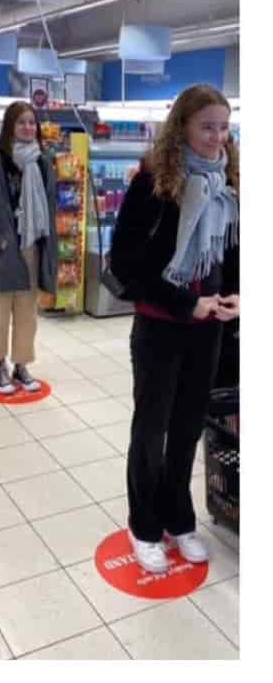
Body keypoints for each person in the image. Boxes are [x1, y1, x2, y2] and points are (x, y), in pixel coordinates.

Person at [109, 83, 240, 574]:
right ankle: (143, 524)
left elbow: (232, 252)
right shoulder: (153, 182)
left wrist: (235, 297)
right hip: (161, 327)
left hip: (209, 332)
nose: (217, 137)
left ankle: (178, 517)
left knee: (187, 428)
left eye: (224, 127)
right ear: (182, 126)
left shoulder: (228, 184)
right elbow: (126, 263)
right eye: (207, 126)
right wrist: (189, 301)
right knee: (151, 429)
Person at [0, 101, 58, 394]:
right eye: (21, 122)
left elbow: (49, 208)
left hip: (32, 248)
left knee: (27, 315)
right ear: (9, 127)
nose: (28, 128)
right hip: (3, 252)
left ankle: (21, 364)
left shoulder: (43, 164)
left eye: (32, 122)